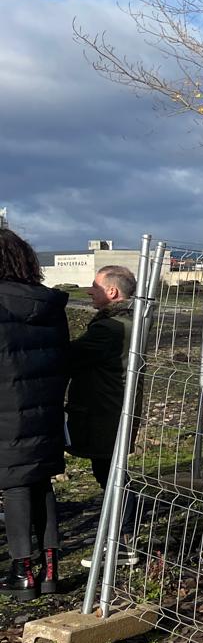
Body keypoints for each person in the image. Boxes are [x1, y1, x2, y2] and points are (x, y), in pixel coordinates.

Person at [0, 230, 69, 599]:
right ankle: (50, 568)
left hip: (6, 412)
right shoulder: (50, 305)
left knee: (16, 487)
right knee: (40, 483)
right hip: (44, 408)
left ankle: (22, 570)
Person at [67, 264, 140, 569]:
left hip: (105, 414)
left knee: (112, 476)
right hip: (115, 411)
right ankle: (121, 538)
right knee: (112, 474)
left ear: (112, 292)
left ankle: (122, 543)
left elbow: (71, 356)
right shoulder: (128, 322)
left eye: (95, 286)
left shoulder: (109, 329)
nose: (89, 291)